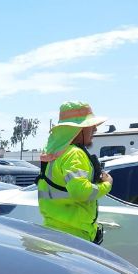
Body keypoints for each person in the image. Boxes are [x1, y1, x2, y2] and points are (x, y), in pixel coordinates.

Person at [37, 101, 112, 244]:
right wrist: (107, 184)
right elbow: (81, 191)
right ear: (79, 129)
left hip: (55, 232)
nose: (95, 128)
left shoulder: (56, 153)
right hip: (74, 237)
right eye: (90, 125)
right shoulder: (75, 154)